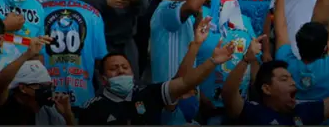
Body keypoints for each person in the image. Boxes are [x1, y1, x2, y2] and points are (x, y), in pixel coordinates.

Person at [78, 47, 236, 125]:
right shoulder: (93, 108)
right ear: (103, 78)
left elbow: (185, 82)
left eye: (125, 67)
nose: (121, 71)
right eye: (114, 69)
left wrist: (212, 62)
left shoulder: (149, 93)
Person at [41, 0, 109, 109]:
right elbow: (101, 59)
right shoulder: (93, 14)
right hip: (83, 95)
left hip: (44, 95)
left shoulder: (38, 10)